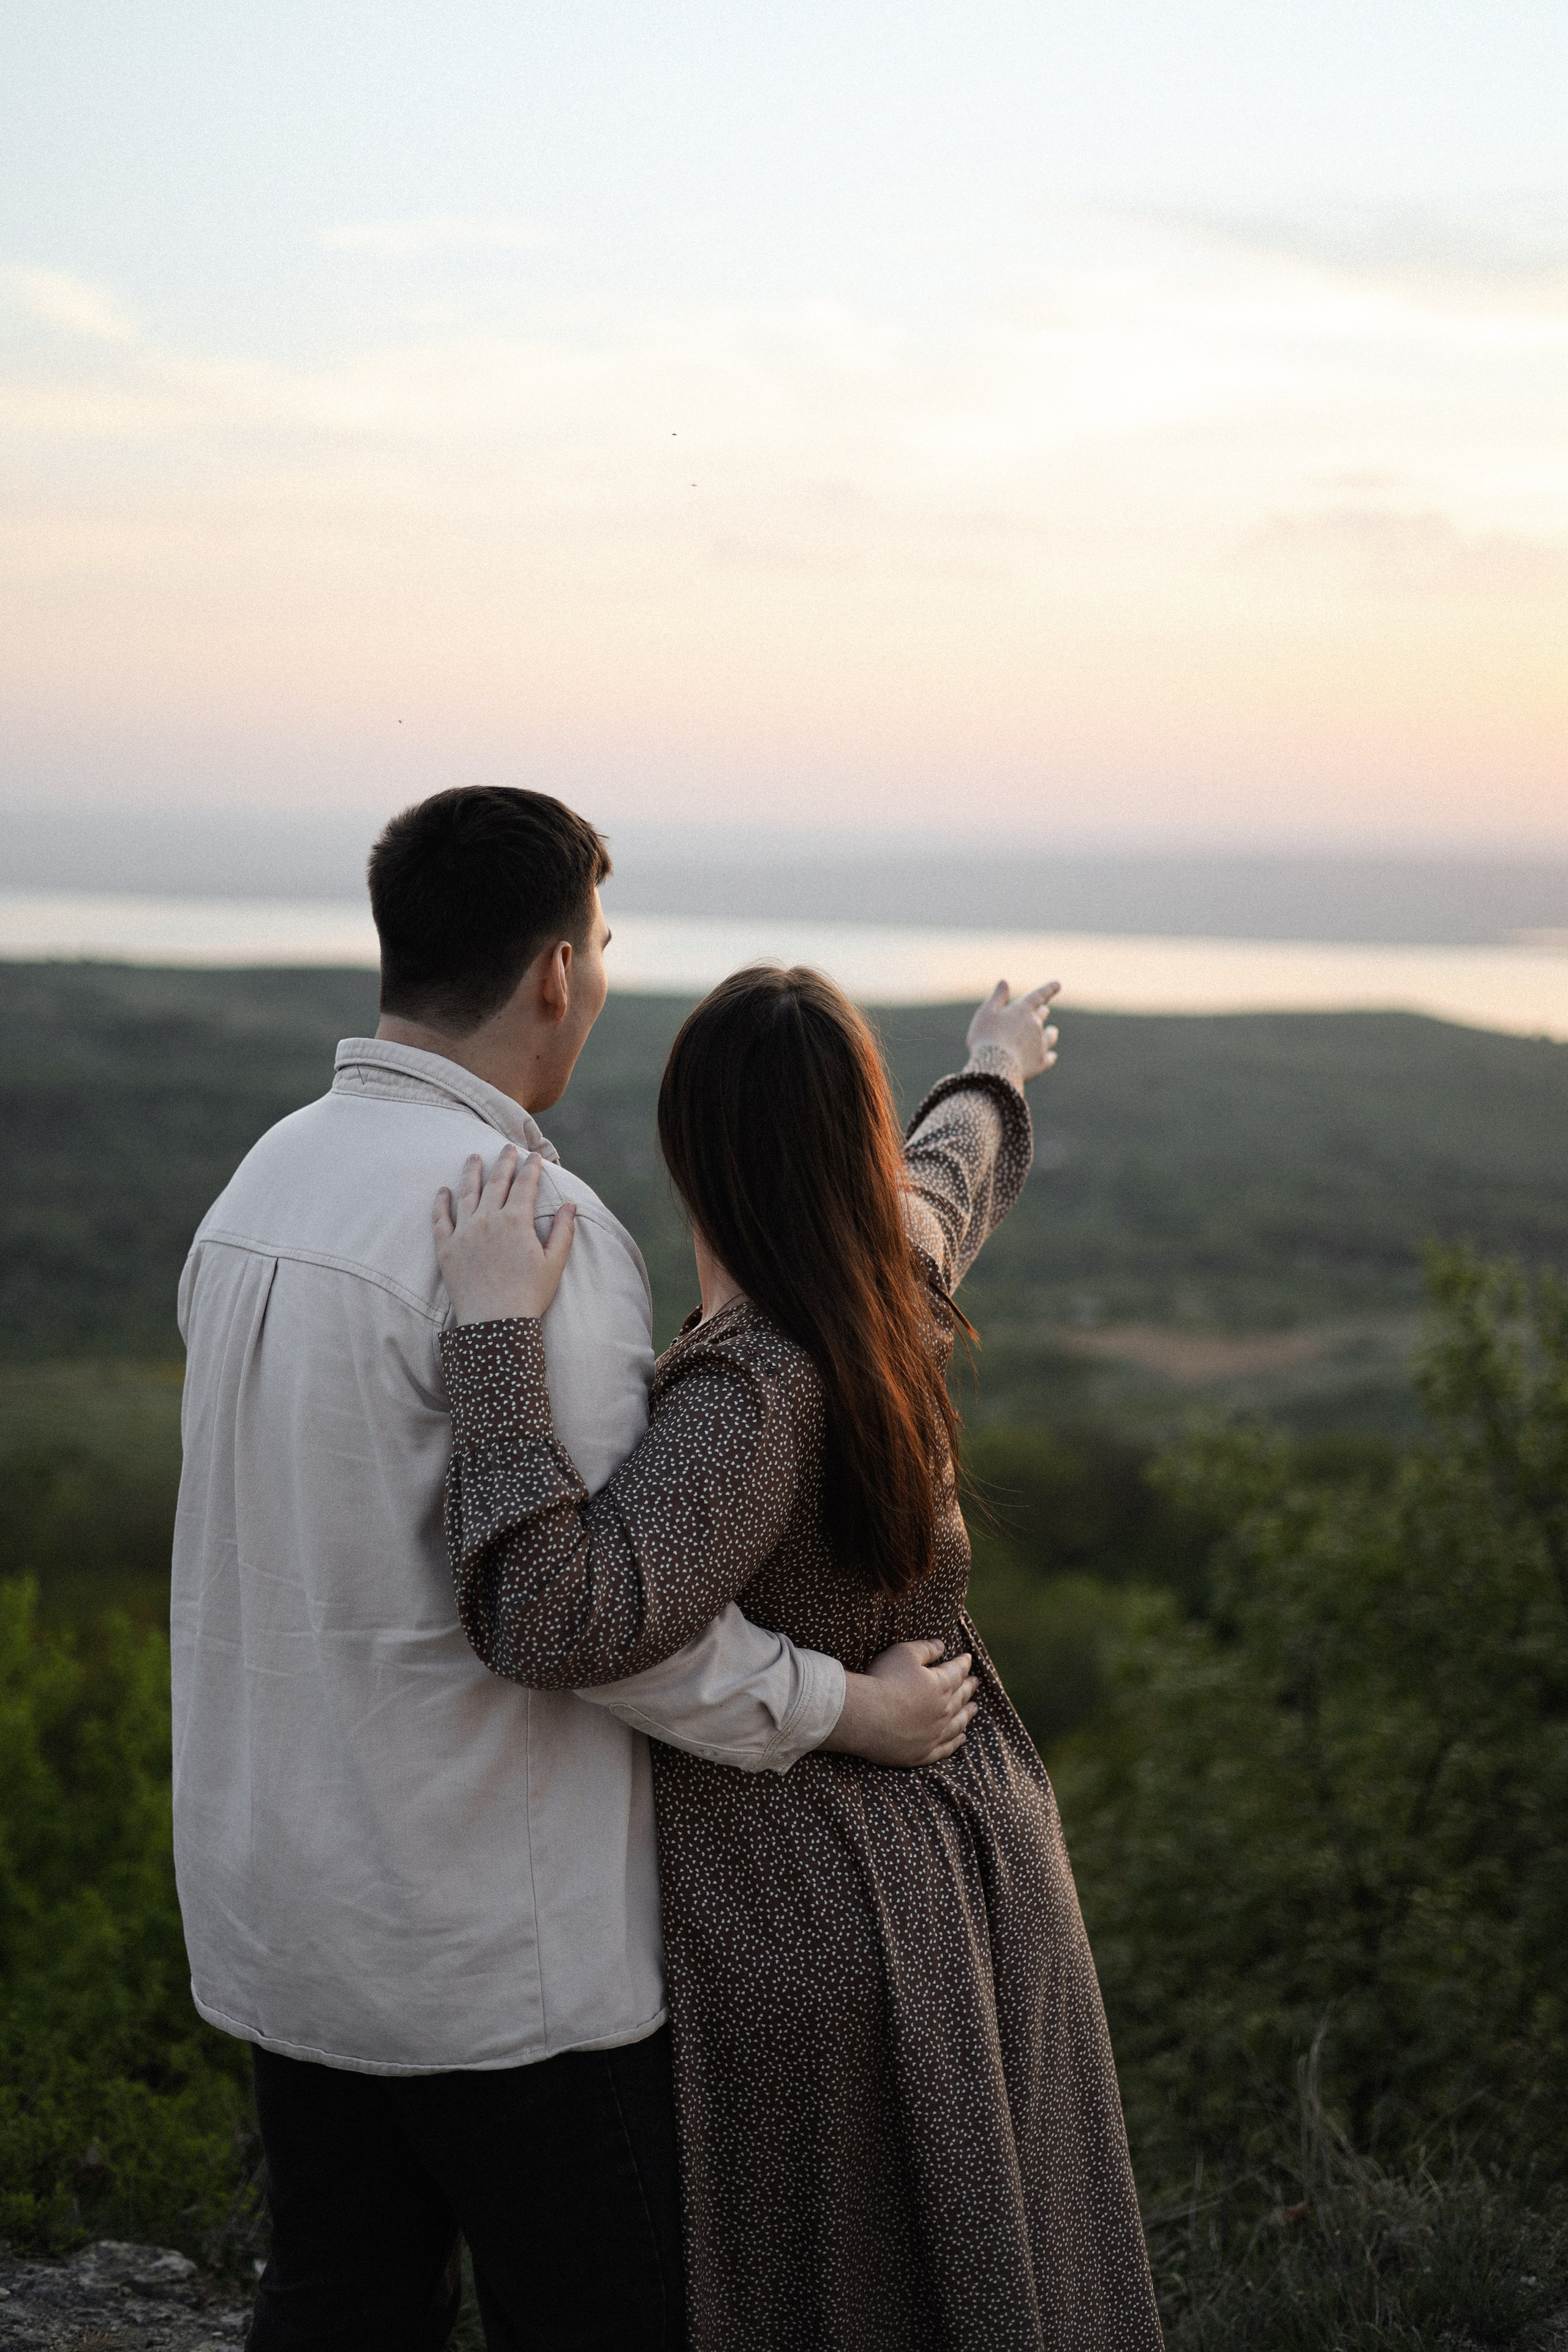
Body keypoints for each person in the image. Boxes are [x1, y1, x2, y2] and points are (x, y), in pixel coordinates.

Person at [170, 788, 973, 2352]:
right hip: (496, 1942)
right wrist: (842, 1711)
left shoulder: (255, 1189)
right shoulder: (541, 1230)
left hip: (281, 1905)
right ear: (554, 972)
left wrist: (988, 1084)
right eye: (597, 950)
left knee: (337, 2301)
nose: (596, 984)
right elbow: (613, 1618)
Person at [432, 962, 1164, 2352]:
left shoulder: (756, 1390)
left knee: (848, 2302)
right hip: (979, 1863)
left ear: (687, 1145)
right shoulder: (889, 1268)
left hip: (825, 1914)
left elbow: (553, 1617)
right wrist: (996, 1062)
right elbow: (958, 1170)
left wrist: (488, 1341)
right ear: (852, 1141)